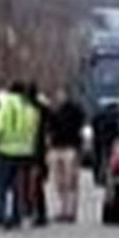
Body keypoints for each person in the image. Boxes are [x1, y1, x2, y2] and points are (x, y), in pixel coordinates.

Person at [0, 82, 41, 229]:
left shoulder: (6, 104)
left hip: (4, 150)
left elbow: (0, 126)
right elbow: (33, 129)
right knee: (18, 187)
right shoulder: (29, 107)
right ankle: (17, 216)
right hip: (24, 152)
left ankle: (3, 216)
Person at [47, 90, 86, 223]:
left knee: (70, 182)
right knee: (60, 183)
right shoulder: (54, 112)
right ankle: (64, 209)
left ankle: (69, 211)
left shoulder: (74, 111)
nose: (59, 97)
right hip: (58, 148)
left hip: (69, 148)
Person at [23, 83, 50, 227]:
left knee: (31, 184)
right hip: (38, 151)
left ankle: (36, 211)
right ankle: (38, 211)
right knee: (36, 184)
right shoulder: (43, 109)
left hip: (30, 150)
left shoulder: (29, 109)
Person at [92, 103, 119, 187]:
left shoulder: (99, 115)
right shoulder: (113, 118)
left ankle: (98, 179)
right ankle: (105, 178)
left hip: (98, 140)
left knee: (98, 160)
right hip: (108, 141)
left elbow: (94, 125)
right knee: (108, 160)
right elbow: (116, 130)